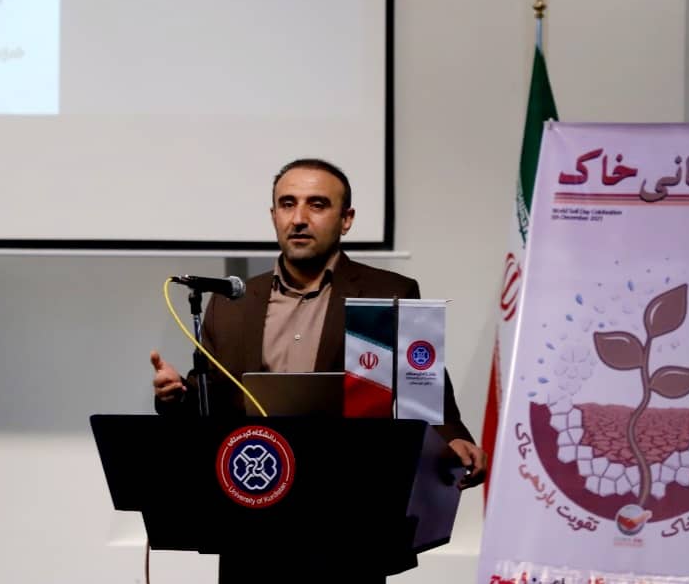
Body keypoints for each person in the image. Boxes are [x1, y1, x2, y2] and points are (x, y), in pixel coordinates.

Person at [151, 158, 487, 484]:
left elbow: (425, 392)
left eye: (317, 205)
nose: (299, 219)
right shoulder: (230, 304)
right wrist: (175, 394)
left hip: (349, 485)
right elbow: (209, 403)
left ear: (346, 219)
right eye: (287, 204)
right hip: (256, 483)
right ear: (274, 216)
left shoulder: (391, 293)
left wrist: (452, 439)